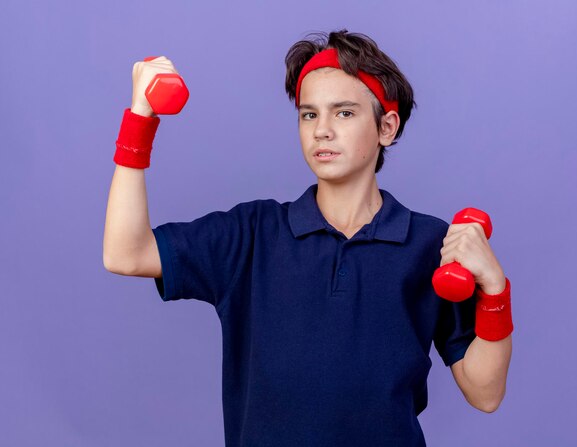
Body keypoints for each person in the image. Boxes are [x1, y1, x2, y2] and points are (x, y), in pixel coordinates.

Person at [103, 29, 513, 447]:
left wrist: (495, 289)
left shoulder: (431, 244)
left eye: (344, 113)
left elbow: (485, 392)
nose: (322, 130)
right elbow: (126, 253)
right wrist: (140, 117)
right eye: (309, 114)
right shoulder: (252, 234)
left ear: (387, 127)